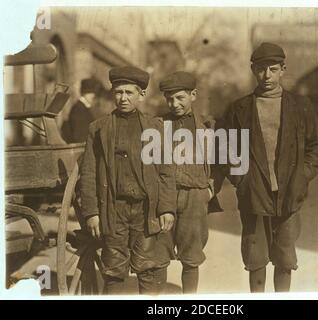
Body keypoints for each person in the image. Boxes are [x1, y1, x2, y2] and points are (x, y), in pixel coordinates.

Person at [216, 42, 318, 292]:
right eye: (261, 70)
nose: (267, 76)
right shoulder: (239, 109)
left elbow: (317, 146)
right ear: (253, 70)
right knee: (256, 258)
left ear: (283, 69)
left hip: (289, 193)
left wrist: (303, 175)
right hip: (254, 193)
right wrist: (240, 177)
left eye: (273, 69)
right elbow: (224, 147)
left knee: (284, 258)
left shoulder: (300, 106)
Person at [79, 66, 176, 295]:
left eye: (129, 93)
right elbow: (89, 172)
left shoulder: (155, 128)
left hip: (145, 210)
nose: (123, 98)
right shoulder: (99, 129)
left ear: (140, 94)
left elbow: (165, 172)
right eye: (119, 92)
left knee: (149, 269)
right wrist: (91, 212)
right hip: (114, 209)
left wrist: (167, 208)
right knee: (113, 270)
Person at [159, 71, 214, 294]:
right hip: (165, 196)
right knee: (158, 255)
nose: (174, 104)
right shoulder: (157, 125)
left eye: (180, 97)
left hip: (194, 197)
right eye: (169, 99)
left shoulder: (208, 127)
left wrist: (210, 189)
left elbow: (219, 163)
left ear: (193, 95)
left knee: (191, 257)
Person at [65, 78, 102, 143]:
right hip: (81, 148)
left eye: (93, 93)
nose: (93, 96)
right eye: (89, 93)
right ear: (83, 93)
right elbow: (79, 136)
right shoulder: (78, 109)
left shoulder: (83, 108)